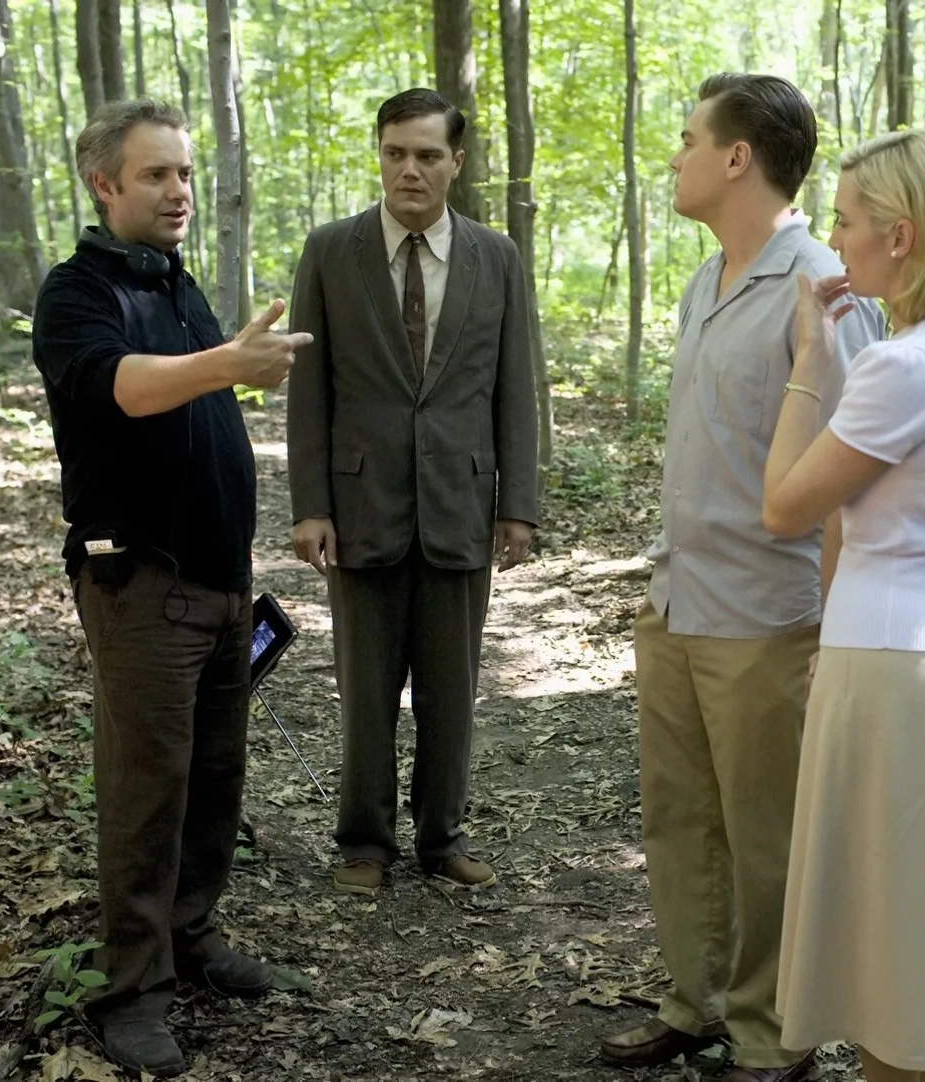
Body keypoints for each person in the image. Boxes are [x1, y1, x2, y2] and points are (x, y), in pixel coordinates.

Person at [598, 74, 881, 1082]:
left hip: (767, 614)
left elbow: (852, 474)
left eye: (686, 140)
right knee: (679, 818)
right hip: (677, 598)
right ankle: (696, 998)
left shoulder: (825, 290)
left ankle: (773, 1029)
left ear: (736, 159)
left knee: (768, 836)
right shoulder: (704, 278)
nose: (672, 158)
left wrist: (836, 627)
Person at [31, 99, 307, 1077]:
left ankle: (191, 937)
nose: (179, 190)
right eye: (157, 175)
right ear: (104, 182)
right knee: (146, 793)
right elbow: (123, 386)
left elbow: (190, 389)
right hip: (140, 580)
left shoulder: (174, 282)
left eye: (184, 173)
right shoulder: (76, 293)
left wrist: (233, 366)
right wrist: (225, 362)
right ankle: (132, 989)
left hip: (222, 584)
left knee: (214, 779)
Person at [761, 127, 925, 1082]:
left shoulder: (902, 366)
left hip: (897, 664)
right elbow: (861, 521)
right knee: (910, 922)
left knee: (890, 936)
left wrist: (809, 362)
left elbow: (786, 505)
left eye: (847, 222)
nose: (835, 242)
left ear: (900, 237)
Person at [286, 88, 539, 896]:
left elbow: (514, 389)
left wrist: (518, 504)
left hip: (462, 503)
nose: (410, 170)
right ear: (380, 154)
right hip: (361, 508)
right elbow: (310, 390)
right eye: (396, 153)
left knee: (451, 690)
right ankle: (364, 844)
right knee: (365, 689)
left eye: (428, 155)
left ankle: (443, 836)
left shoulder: (495, 257)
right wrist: (309, 505)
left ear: (455, 163)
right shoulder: (331, 251)